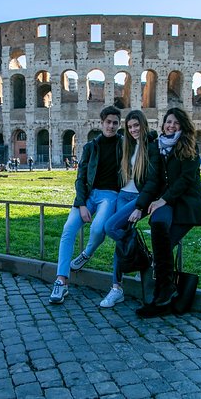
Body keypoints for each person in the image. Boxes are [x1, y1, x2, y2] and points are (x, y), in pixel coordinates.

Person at [136, 108, 201, 318]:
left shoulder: (189, 147)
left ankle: (162, 296)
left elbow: (185, 180)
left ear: (183, 126)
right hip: (169, 201)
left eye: (176, 123)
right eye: (168, 122)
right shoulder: (160, 146)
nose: (171, 126)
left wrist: (162, 200)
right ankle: (164, 292)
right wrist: (148, 203)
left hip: (188, 202)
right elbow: (157, 178)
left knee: (164, 245)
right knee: (158, 226)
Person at [49, 106, 122, 304]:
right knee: (68, 229)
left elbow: (145, 137)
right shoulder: (91, 147)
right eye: (108, 122)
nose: (111, 126)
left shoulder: (124, 145)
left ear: (119, 124)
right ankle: (61, 280)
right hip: (89, 195)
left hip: (110, 195)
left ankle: (86, 254)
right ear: (101, 123)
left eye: (115, 122)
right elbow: (80, 177)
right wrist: (81, 204)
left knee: (98, 229)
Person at [100, 110, 161, 308]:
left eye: (137, 125)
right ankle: (116, 288)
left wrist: (140, 206)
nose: (134, 130)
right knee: (121, 243)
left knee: (110, 227)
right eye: (130, 127)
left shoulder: (152, 147)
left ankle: (142, 259)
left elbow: (153, 180)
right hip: (122, 195)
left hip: (137, 198)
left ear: (143, 125)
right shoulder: (127, 145)